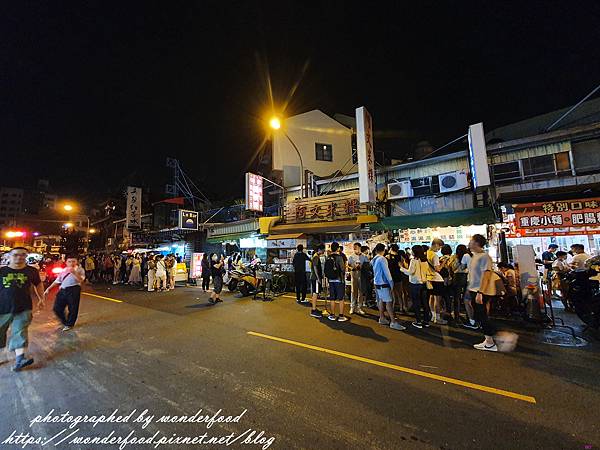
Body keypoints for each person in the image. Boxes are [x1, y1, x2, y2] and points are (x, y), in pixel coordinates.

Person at [0, 247, 45, 371]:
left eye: (23, 255)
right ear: (9, 257)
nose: (19, 257)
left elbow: (38, 284)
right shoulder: (2, 271)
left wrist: (42, 298)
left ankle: (20, 359)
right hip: (2, 308)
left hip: (24, 307)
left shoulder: (31, 271)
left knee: (20, 332)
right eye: (16, 255)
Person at [466, 234, 497, 352]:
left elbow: (487, 275)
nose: (469, 243)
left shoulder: (484, 257)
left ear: (476, 243)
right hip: (474, 290)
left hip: (480, 291)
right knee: (480, 315)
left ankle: (490, 342)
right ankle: (487, 339)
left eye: (471, 241)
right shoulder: (475, 256)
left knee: (482, 316)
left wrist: (480, 292)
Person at [46, 254, 85, 331]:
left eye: (73, 261)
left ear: (76, 262)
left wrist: (74, 272)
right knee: (57, 308)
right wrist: (48, 288)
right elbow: (58, 280)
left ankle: (69, 324)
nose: (71, 263)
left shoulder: (80, 270)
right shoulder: (64, 270)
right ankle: (65, 321)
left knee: (73, 308)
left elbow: (80, 280)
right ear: (66, 262)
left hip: (74, 289)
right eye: (69, 261)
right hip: (63, 289)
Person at [371, 243, 405, 331]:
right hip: (384, 283)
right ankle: (393, 322)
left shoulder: (374, 259)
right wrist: (391, 283)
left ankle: (382, 318)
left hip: (377, 283)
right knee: (389, 302)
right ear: (384, 250)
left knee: (381, 300)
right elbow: (387, 272)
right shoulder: (382, 259)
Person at [401, 245, 430, 329]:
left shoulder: (414, 260)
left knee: (416, 303)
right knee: (425, 303)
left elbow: (410, 272)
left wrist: (401, 268)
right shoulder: (425, 260)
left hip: (415, 284)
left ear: (415, 252)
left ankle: (418, 322)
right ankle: (426, 321)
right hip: (424, 284)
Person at [426, 239, 447, 325]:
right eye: (439, 247)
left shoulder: (426, 253)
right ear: (436, 245)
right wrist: (444, 262)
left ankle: (433, 316)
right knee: (437, 300)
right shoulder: (434, 255)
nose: (439, 249)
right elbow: (437, 269)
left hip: (429, 279)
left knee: (431, 298)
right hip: (436, 279)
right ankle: (438, 318)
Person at [324, 242, 348, 322]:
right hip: (339, 280)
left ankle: (332, 315)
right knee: (341, 298)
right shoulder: (339, 257)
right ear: (338, 248)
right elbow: (342, 269)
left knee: (332, 298)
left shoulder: (328, 257)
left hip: (331, 280)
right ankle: (341, 316)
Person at [449, 244, 470, 323]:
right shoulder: (468, 257)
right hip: (466, 277)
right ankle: (469, 317)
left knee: (456, 298)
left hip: (457, 277)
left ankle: (457, 317)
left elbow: (453, 268)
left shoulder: (455, 257)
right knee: (466, 299)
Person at [386, 244, 406, 315]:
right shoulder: (400, 257)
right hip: (398, 276)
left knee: (392, 294)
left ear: (391, 248)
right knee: (400, 294)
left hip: (390, 277)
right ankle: (401, 307)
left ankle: (393, 308)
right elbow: (402, 265)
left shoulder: (387, 257)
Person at [348, 242, 367, 315]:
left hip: (361, 275)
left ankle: (359, 307)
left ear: (359, 248)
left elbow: (367, 265)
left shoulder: (364, 256)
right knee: (353, 291)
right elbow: (348, 265)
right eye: (354, 248)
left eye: (356, 247)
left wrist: (362, 267)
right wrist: (352, 267)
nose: (354, 249)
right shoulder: (351, 256)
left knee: (361, 292)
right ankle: (352, 307)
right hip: (354, 274)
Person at [309, 244, 325, 318]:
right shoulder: (315, 257)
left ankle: (314, 309)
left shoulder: (315, 256)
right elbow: (315, 267)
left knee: (315, 293)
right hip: (315, 278)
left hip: (314, 277)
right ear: (319, 250)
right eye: (323, 249)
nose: (324, 251)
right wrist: (318, 278)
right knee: (315, 293)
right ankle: (313, 310)